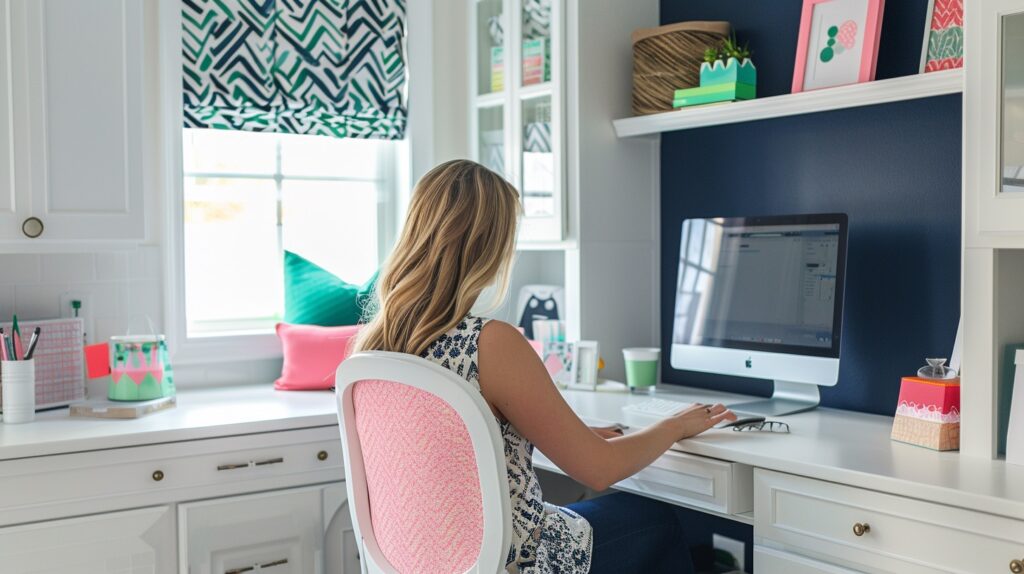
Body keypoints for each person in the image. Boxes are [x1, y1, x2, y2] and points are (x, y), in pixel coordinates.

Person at [354, 159, 736, 574]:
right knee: (655, 520)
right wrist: (674, 425)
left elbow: (453, 443)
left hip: (433, 563)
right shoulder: (490, 341)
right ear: (488, 246)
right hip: (518, 559)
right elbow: (599, 469)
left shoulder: (375, 346)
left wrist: (571, 432)